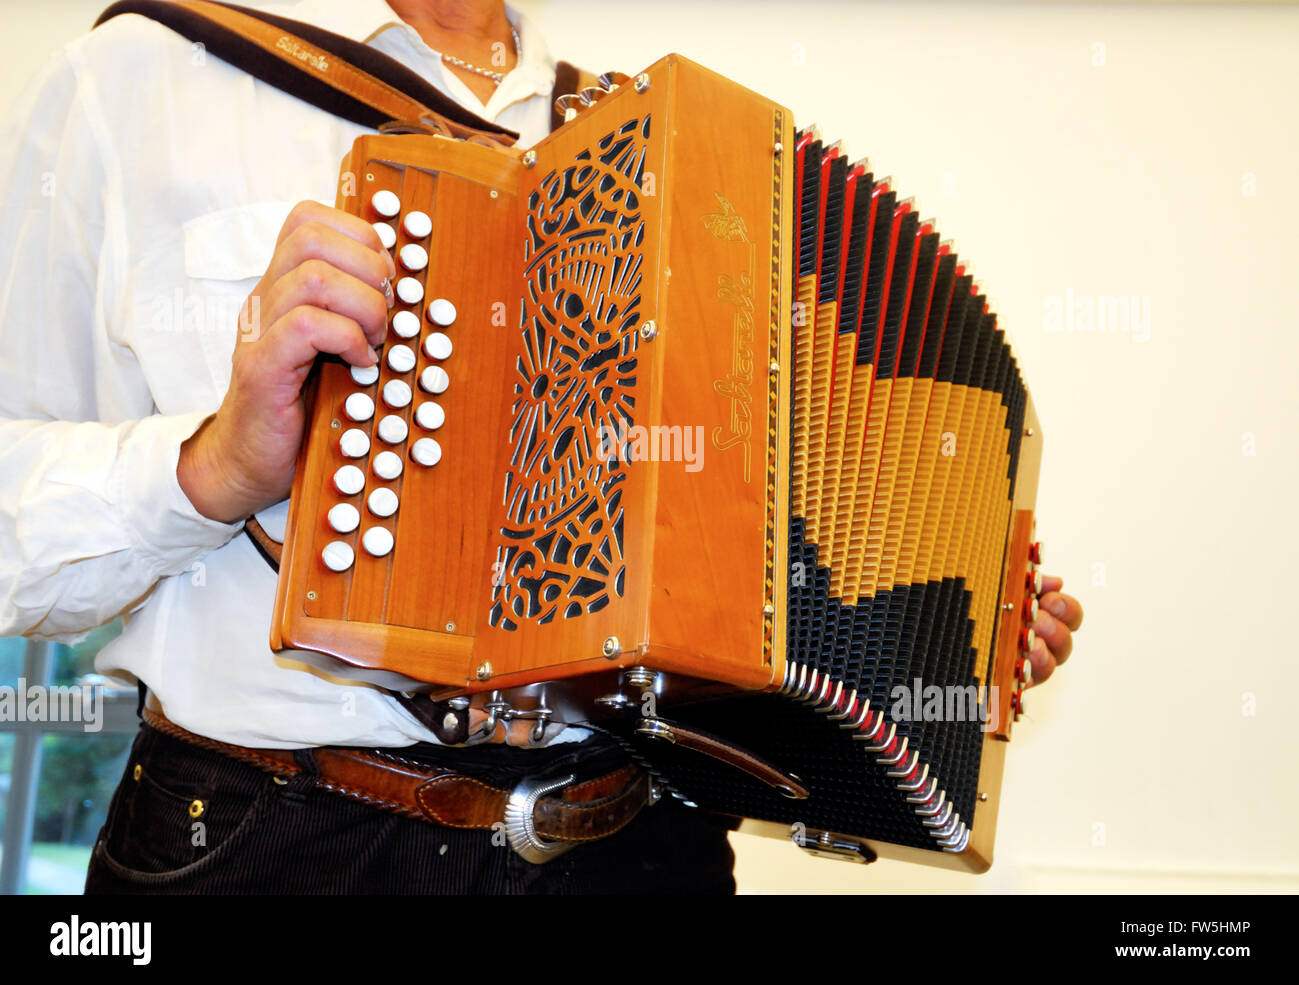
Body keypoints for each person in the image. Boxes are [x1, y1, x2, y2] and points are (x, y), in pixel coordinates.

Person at [0, 0, 1084, 894]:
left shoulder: (626, 142)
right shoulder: (140, 78)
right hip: (274, 845)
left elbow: (753, 541)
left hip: (632, 850)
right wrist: (212, 471)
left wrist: (948, 616)